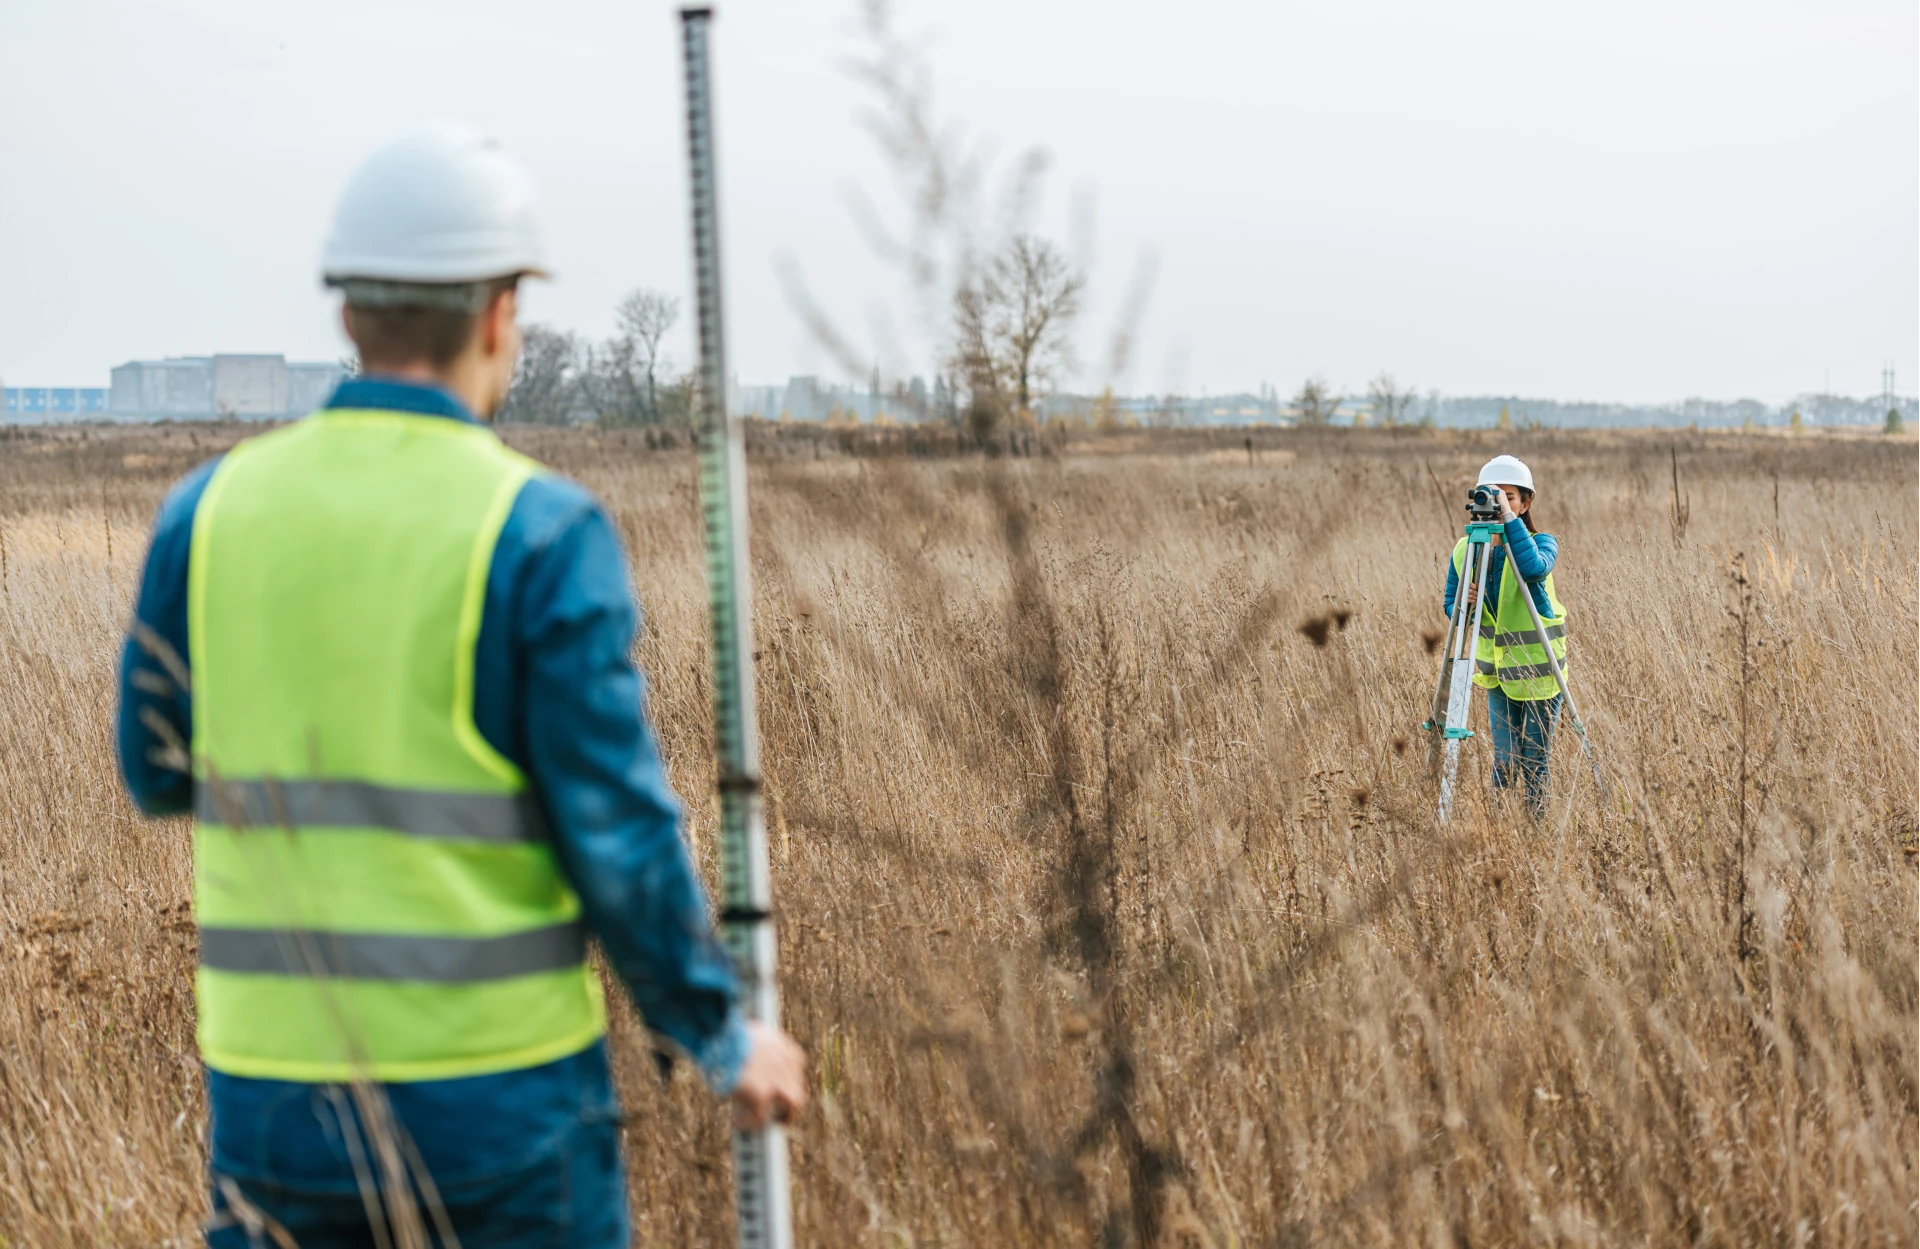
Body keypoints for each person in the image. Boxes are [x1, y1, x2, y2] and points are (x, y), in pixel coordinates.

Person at [116, 125, 807, 1249]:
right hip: (501, 1109)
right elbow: (617, 833)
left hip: (271, 1109)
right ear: (500, 319)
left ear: (346, 316)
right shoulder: (539, 531)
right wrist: (721, 1031)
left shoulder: (207, 512)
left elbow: (153, 772)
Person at [1441, 454, 1569, 819]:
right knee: (1505, 758)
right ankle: (1499, 828)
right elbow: (1451, 608)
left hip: (1541, 672)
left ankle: (1534, 827)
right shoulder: (1467, 549)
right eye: (1493, 495)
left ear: (1526, 502)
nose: (1500, 503)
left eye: (1509, 496)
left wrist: (1508, 521)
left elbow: (1531, 569)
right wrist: (1463, 605)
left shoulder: (1542, 542)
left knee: (1534, 758)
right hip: (1497, 673)